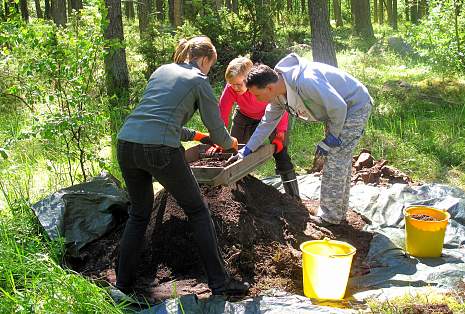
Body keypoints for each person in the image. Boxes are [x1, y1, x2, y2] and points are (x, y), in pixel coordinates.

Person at [115, 36, 249, 296]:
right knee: (198, 211)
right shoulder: (199, 80)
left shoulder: (162, 70)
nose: (210, 70)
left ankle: (122, 285)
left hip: (127, 143)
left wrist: (197, 137)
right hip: (161, 149)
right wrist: (230, 143)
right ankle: (220, 283)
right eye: (212, 64)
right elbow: (219, 132)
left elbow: (159, 117)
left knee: (139, 214)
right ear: (206, 59)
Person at [230, 53, 372, 225]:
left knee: (335, 161)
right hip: (337, 112)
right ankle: (338, 212)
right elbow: (266, 124)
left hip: (353, 106)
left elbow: (339, 107)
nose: (255, 99)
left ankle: (330, 217)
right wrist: (247, 150)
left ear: (268, 88)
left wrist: (332, 137)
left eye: (257, 95)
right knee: (339, 160)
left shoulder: (306, 81)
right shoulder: (277, 95)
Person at [218, 57, 299, 198]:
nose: (235, 88)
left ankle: (293, 195)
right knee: (232, 151)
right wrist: (219, 138)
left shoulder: (262, 84)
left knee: (280, 152)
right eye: (232, 85)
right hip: (244, 115)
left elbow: (280, 106)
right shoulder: (231, 87)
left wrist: (280, 133)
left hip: (272, 117)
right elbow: (222, 113)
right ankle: (236, 194)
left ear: (249, 78)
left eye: (238, 84)